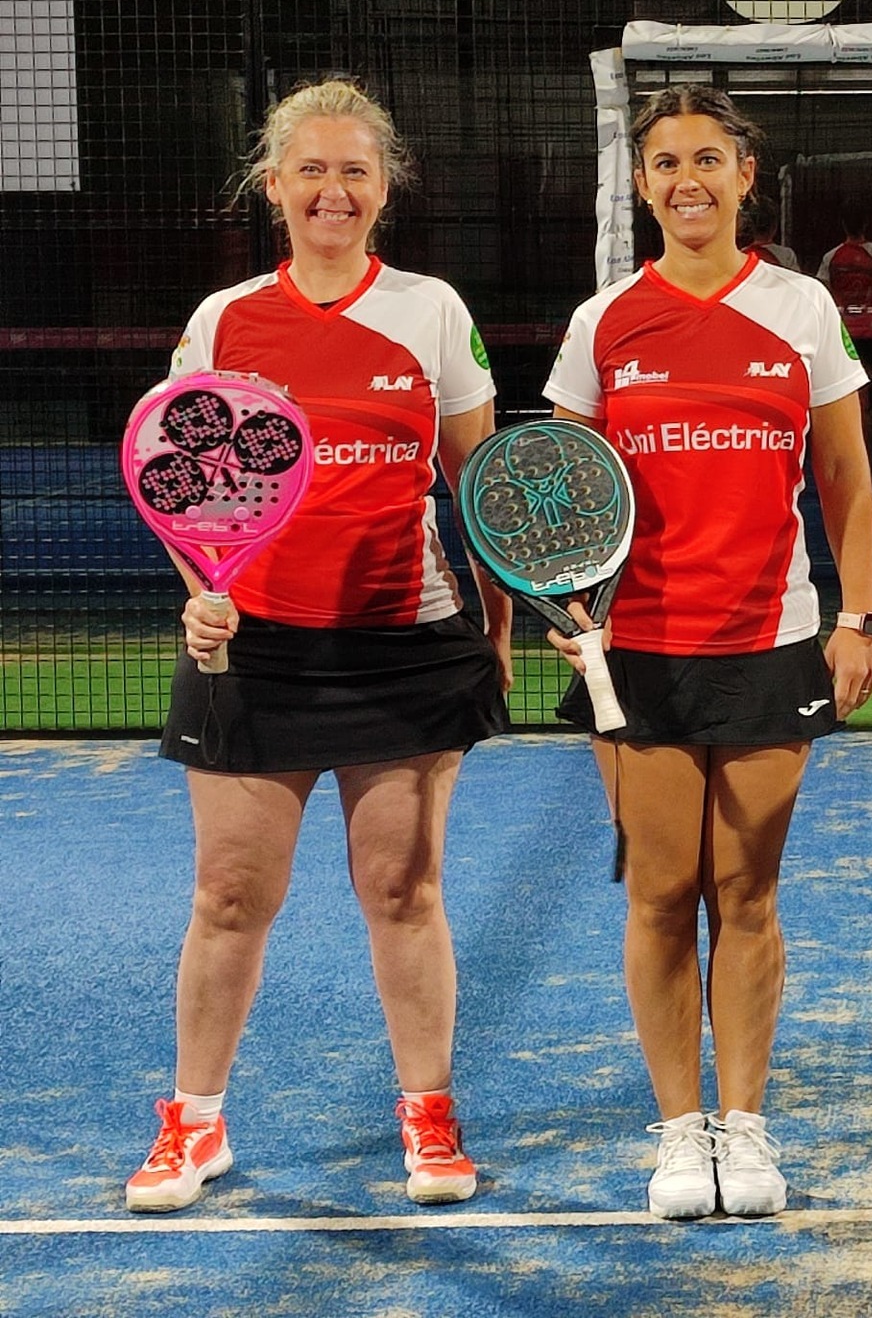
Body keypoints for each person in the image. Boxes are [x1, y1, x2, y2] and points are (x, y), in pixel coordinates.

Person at [126, 78, 512, 1213]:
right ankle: (194, 1126)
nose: (332, 191)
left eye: (354, 171)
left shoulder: (432, 311)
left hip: (406, 642)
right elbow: (182, 484)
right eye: (312, 170)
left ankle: (429, 1119)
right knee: (229, 895)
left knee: (403, 888)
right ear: (274, 185)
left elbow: (479, 488)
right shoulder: (225, 319)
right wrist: (201, 594)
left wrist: (495, 629)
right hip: (256, 653)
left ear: (384, 188)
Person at [542, 82, 872, 1221]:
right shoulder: (603, 323)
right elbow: (560, 495)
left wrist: (857, 616)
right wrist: (568, 608)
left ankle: (745, 1121)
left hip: (770, 642)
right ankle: (680, 1132)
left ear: (746, 175)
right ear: (643, 186)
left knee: (747, 890)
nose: (687, 180)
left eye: (707, 159)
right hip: (636, 650)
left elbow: (845, 477)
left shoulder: (801, 308)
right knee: (659, 891)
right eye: (666, 163)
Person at [817, 203, 872, 418]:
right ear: (866, 224)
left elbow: (824, 298)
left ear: (843, 225)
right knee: (867, 392)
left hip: (843, 335)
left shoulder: (830, 257)